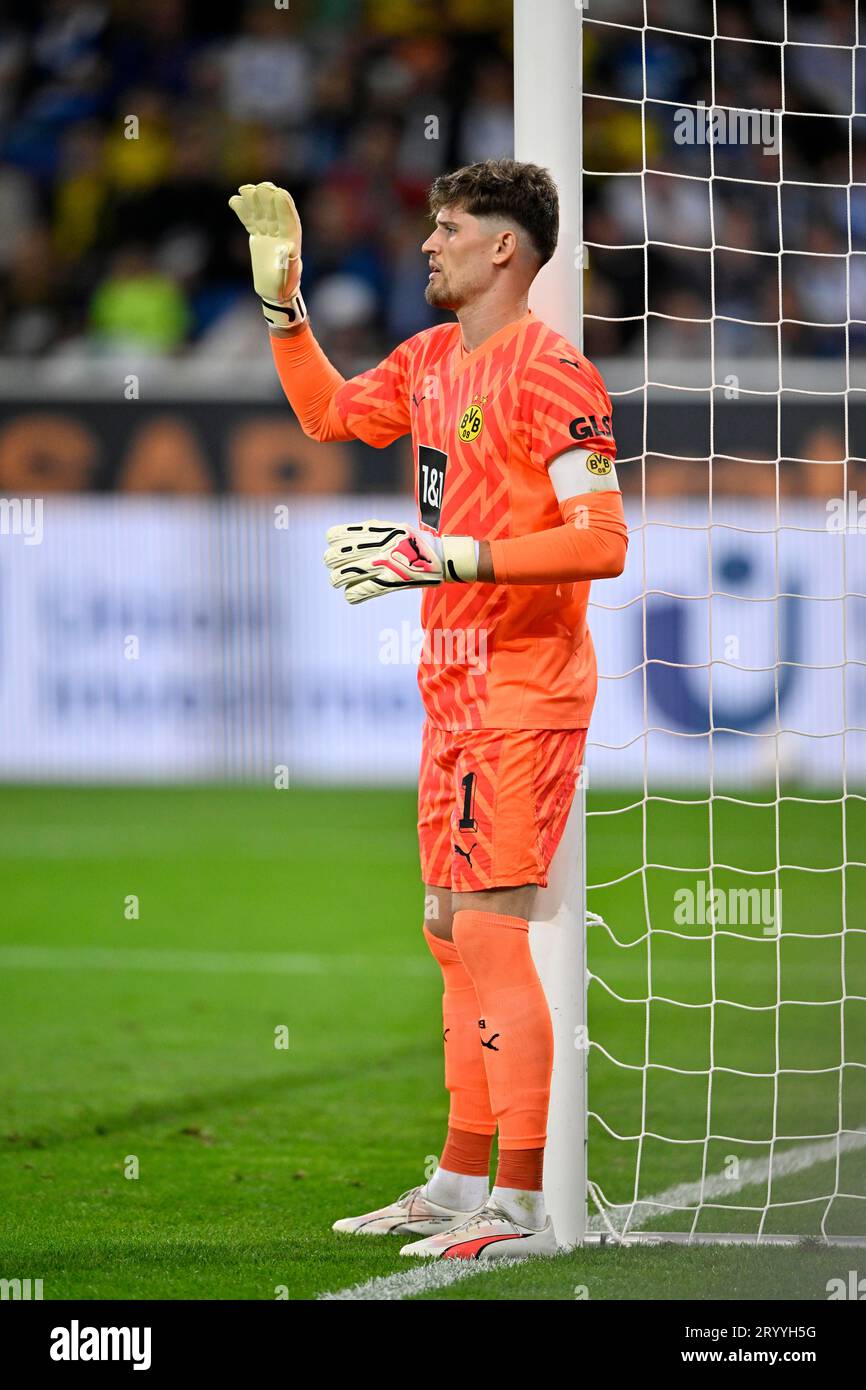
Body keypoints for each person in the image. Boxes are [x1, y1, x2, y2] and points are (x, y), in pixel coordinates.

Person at [229, 160, 628, 1261]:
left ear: (506, 248)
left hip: (525, 689)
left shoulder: (555, 375)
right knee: (450, 933)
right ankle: (457, 1184)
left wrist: (450, 552)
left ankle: (520, 1206)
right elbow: (322, 415)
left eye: (448, 228)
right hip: (451, 687)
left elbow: (601, 541)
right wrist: (282, 304)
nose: (427, 244)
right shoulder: (427, 359)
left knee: (495, 931)